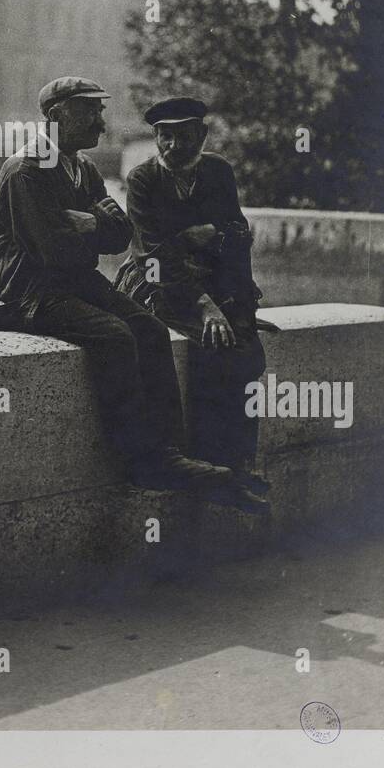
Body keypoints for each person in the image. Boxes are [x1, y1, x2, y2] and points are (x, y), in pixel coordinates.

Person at [0, 76, 264, 508]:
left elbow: (121, 236)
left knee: (148, 326)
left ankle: (171, 453)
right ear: (56, 116)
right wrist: (97, 227)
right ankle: (143, 460)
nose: (101, 122)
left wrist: (92, 224)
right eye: (90, 111)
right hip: (22, 294)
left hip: (69, 283)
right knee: (114, 334)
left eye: (99, 111)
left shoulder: (83, 168)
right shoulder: (26, 172)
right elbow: (54, 252)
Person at [115, 97, 275, 499]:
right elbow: (151, 254)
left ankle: (239, 463)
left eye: (182, 136)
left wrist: (241, 304)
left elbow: (236, 237)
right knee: (213, 345)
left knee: (249, 353)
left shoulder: (218, 172)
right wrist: (204, 302)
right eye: (163, 137)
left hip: (215, 284)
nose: (171, 146)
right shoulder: (143, 180)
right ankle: (213, 469)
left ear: (201, 136)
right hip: (156, 283)